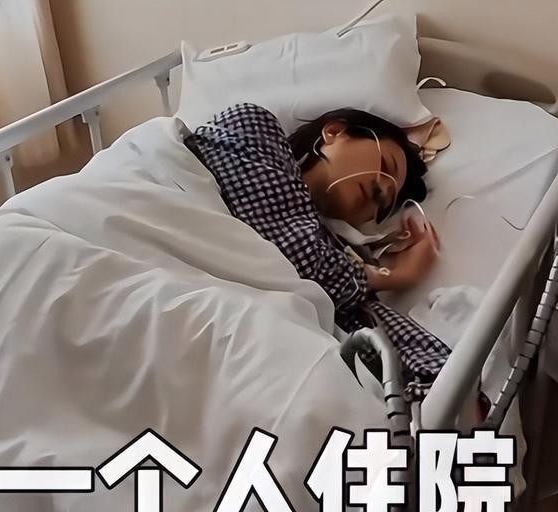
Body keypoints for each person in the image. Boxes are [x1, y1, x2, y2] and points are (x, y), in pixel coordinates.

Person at [184, 102, 449, 402]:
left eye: (384, 205)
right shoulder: (249, 126)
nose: (381, 190)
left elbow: (374, 331)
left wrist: (440, 378)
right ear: (334, 132)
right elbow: (302, 258)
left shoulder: (337, 258)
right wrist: (397, 276)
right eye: (385, 167)